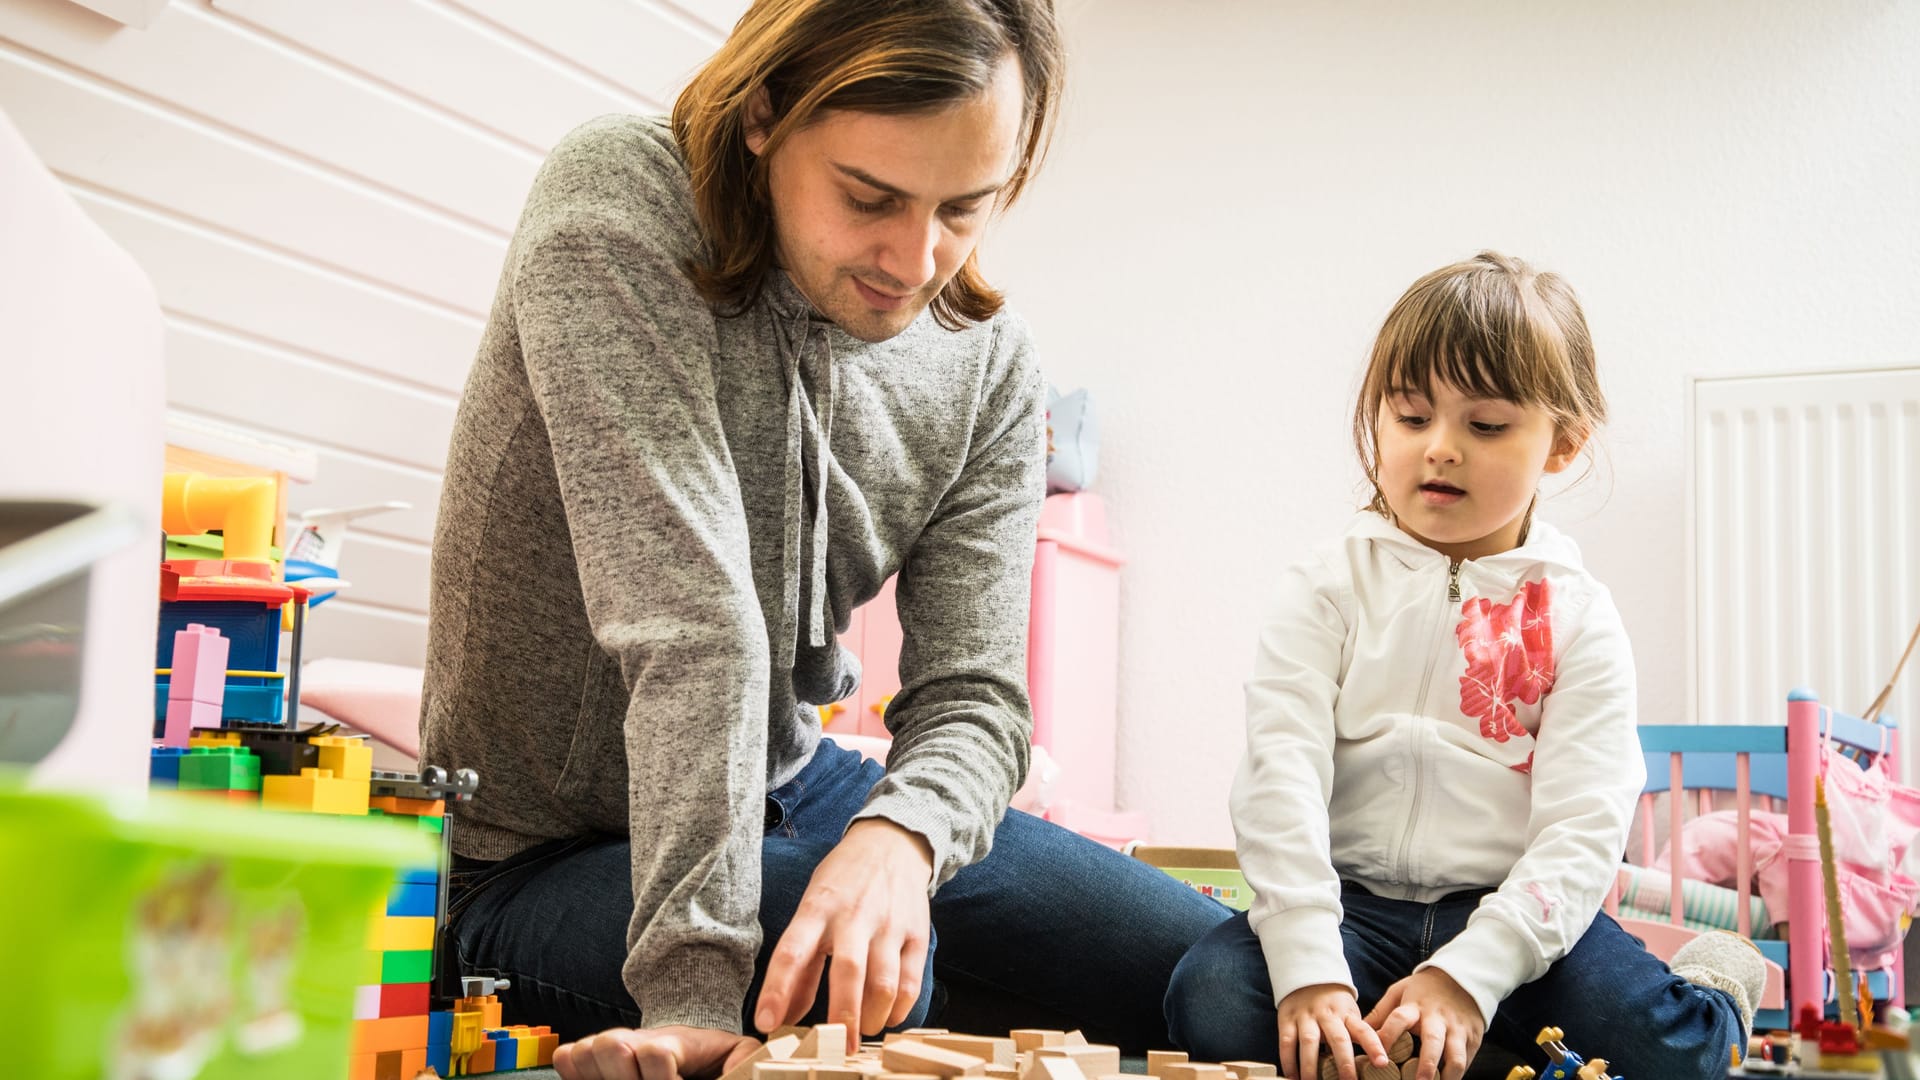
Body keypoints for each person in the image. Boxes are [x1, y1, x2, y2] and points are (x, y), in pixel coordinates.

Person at [419, 3, 1228, 1078]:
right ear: (765, 114)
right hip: (532, 857)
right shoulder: (620, 201)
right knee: (846, 957)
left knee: (1225, 982)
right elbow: (693, 629)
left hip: (797, 784)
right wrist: (697, 996)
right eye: (870, 197)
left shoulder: (988, 365)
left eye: (964, 209)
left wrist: (899, 840)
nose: (917, 257)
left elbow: (976, 701)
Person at [1162, 253, 1766, 1080]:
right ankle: (1447, 1046)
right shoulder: (1326, 587)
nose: (1440, 450)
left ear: (1563, 443)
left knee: (1675, 1055)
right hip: (1352, 909)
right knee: (1213, 999)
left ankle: (1714, 984)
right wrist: (1308, 967)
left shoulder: (1579, 616)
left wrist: (1469, 974)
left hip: (1514, 918)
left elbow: (1582, 829)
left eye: (1484, 427)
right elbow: (1280, 781)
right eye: (1411, 419)